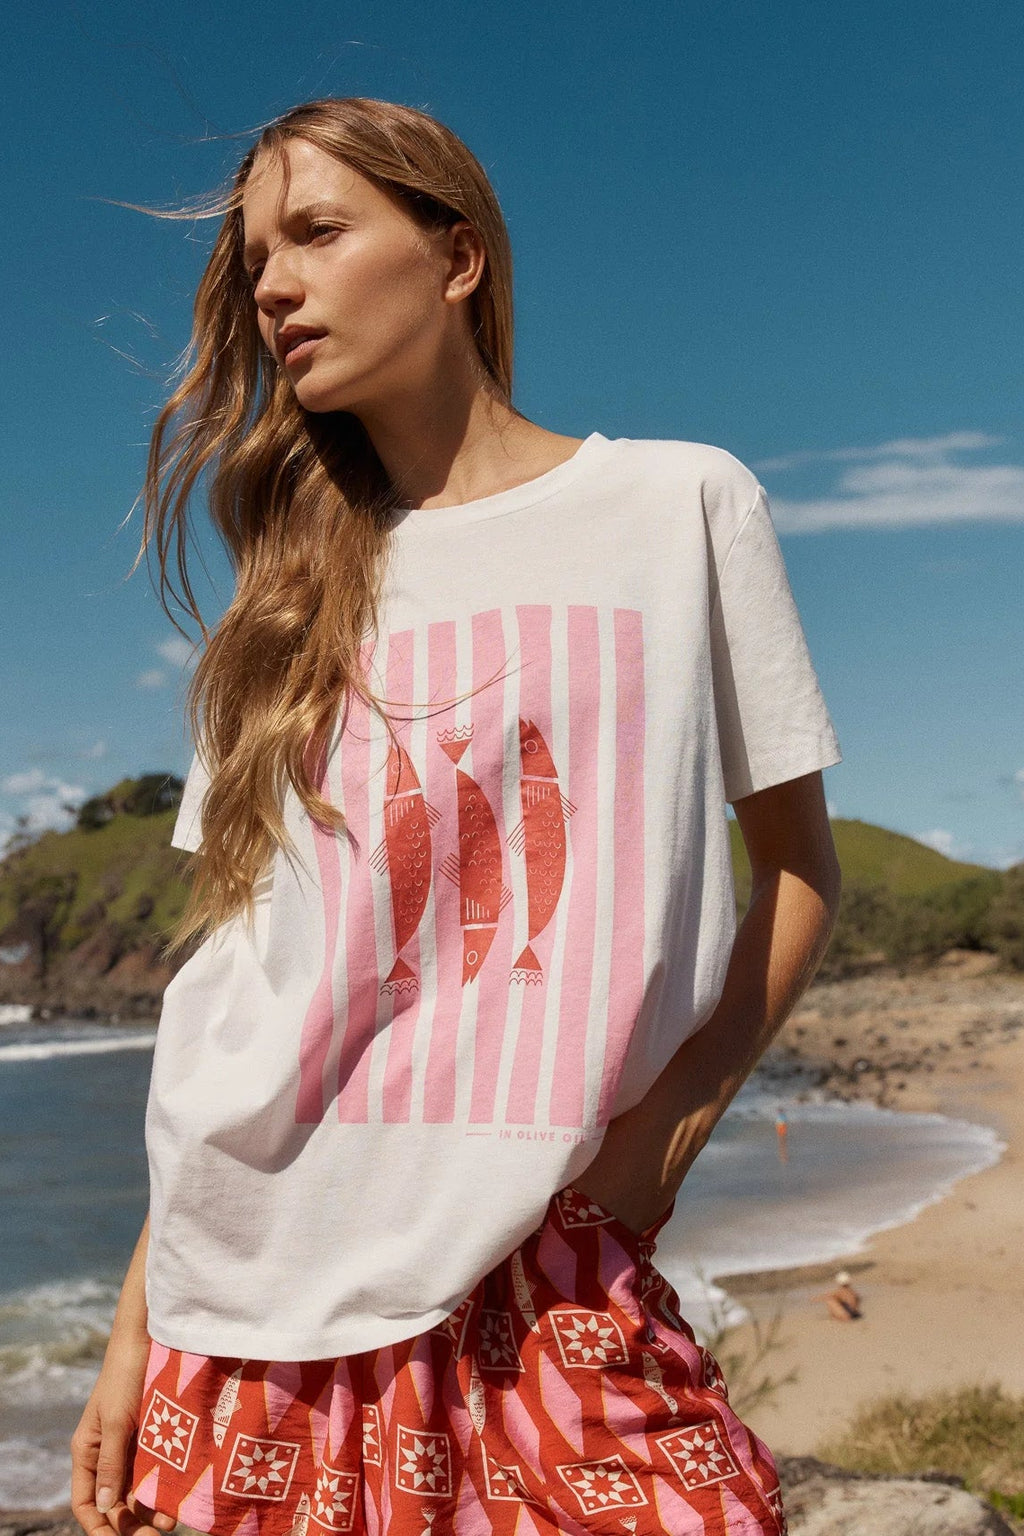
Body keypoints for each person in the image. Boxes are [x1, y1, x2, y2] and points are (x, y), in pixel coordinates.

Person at [70, 96, 843, 1536]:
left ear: (458, 254)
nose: (275, 287)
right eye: (254, 263)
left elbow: (800, 871)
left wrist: (656, 1143)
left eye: (316, 232)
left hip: (546, 1264)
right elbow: (245, 1001)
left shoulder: (678, 507)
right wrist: (136, 1328)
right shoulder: (279, 607)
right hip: (252, 1320)